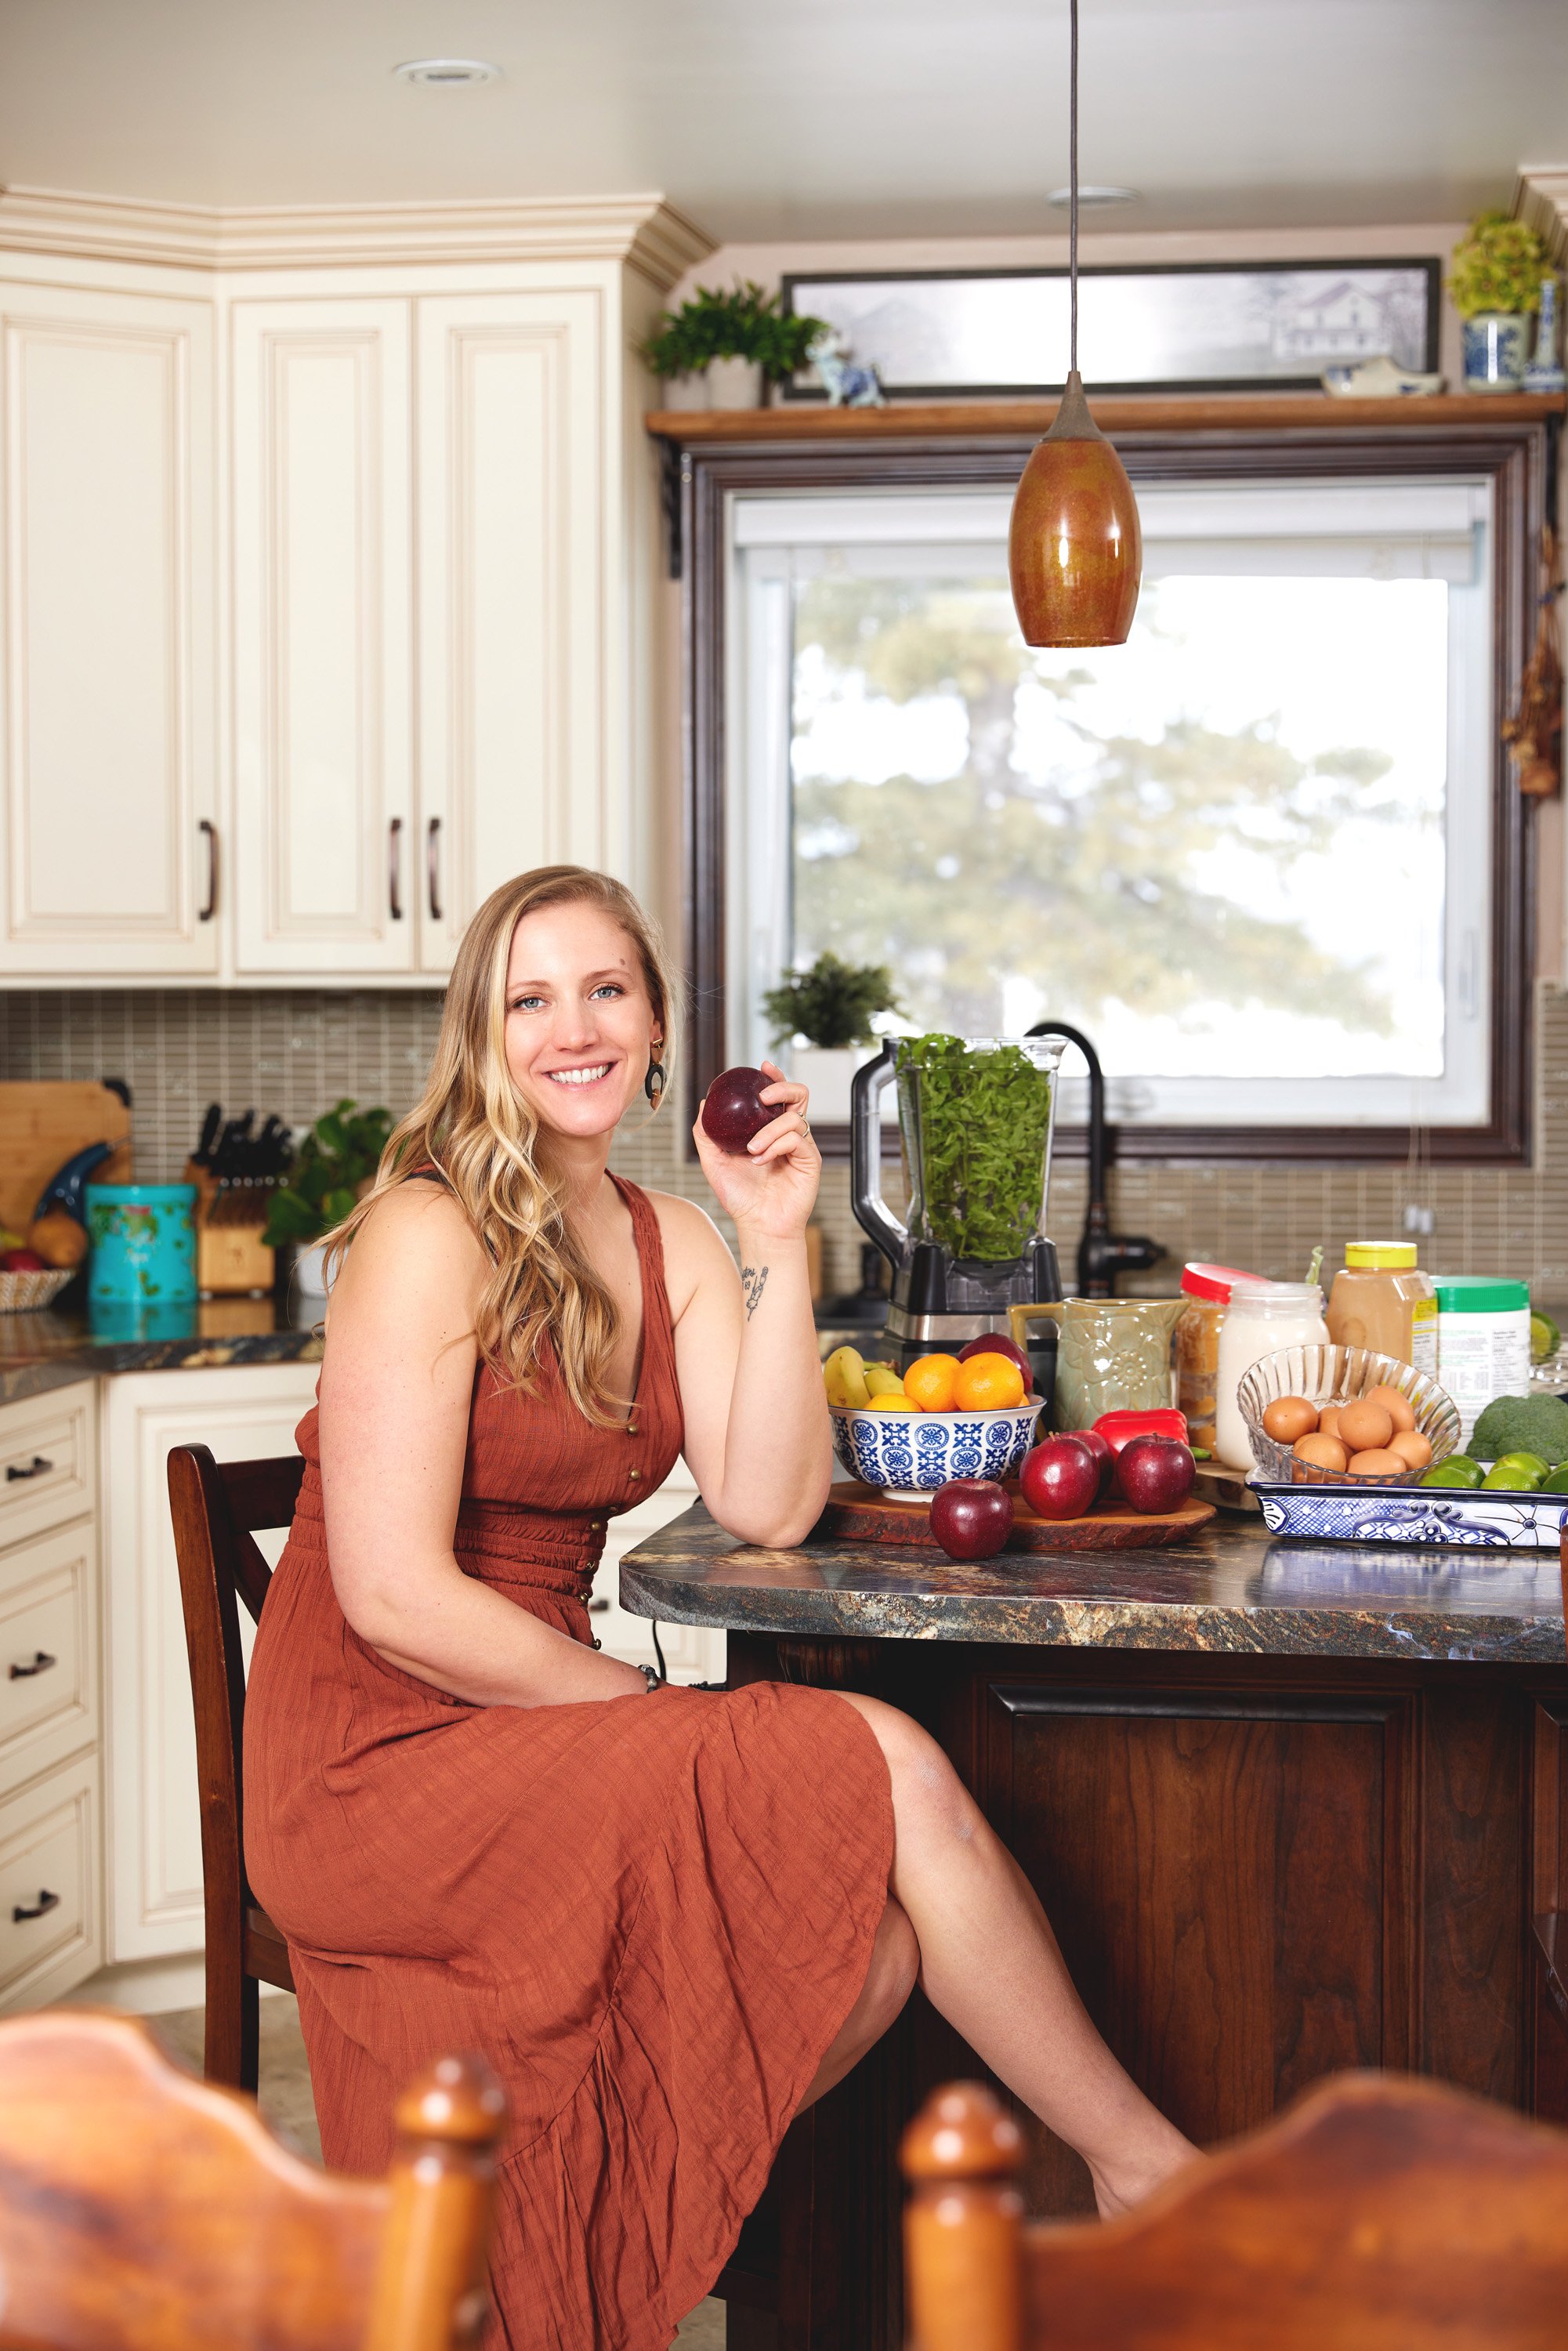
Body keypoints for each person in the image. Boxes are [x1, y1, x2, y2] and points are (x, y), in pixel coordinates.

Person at [244, 864, 1193, 2351]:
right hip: (374, 1757)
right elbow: (393, 1596)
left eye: (606, 989)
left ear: (658, 1021)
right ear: (479, 1035)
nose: (573, 1027)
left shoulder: (665, 1235)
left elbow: (767, 1502)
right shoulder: (427, 1236)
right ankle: (1146, 2173)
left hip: (529, 1718)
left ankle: (557, 2228)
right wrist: (655, 1713)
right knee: (872, 1755)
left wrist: (773, 1237)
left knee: (868, 1949)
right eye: (529, 998)